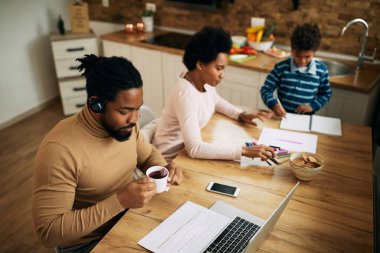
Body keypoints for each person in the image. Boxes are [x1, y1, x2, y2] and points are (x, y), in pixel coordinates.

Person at [32, 54, 183, 252]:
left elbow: (147, 156)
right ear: (96, 104)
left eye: (137, 109)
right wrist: (119, 202)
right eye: (124, 111)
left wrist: (164, 168)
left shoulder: (126, 128)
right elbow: (49, 232)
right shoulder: (60, 150)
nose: (134, 119)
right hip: (89, 243)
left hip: (129, 219)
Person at [152, 26, 275, 162]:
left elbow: (216, 101)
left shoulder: (201, 81)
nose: (222, 75)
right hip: (170, 161)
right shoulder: (186, 95)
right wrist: (244, 151)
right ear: (200, 64)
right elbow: (194, 148)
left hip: (185, 154)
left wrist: (240, 114)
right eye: (218, 68)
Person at [260, 23, 332, 118]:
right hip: (282, 118)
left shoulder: (321, 71)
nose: (302, 61)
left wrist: (313, 106)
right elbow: (265, 90)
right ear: (292, 49)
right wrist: (274, 104)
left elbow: (326, 94)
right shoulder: (281, 68)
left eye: (307, 57)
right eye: (298, 56)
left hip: (305, 120)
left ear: (314, 53)